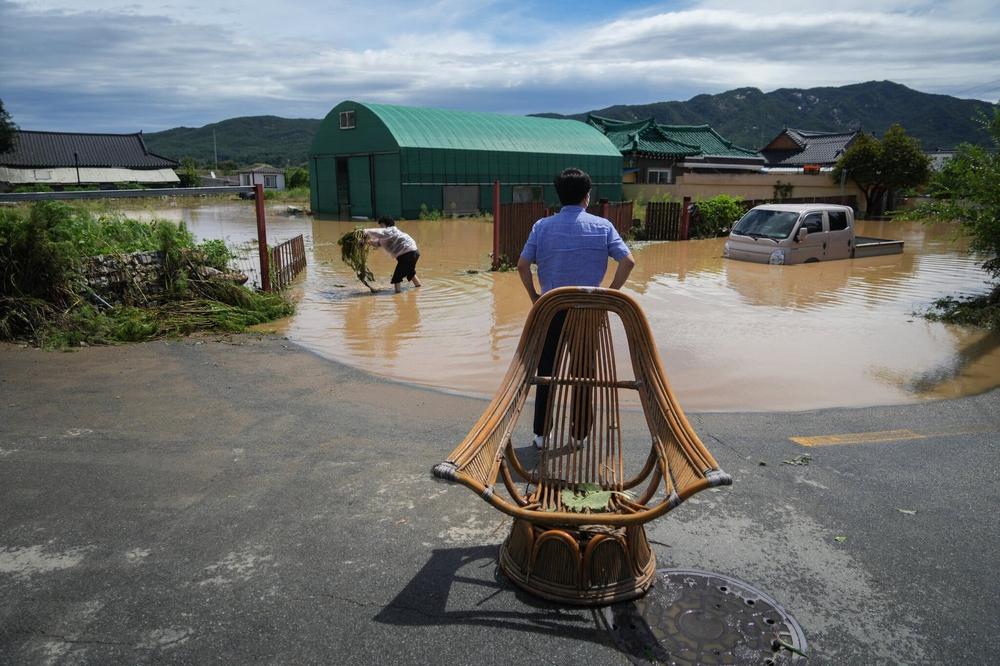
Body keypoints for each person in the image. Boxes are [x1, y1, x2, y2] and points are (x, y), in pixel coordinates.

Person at [516, 168, 635, 449]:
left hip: (551, 308)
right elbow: (628, 262)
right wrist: (610, 294)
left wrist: (535, 296)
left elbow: (522, 265)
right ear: (587, 196)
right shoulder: (603, 226)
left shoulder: (541, 226)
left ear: (559, 196)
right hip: (588, 311)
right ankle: (579, 434)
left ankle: (541, 435)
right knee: (584, 372)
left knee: (547, 370)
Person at [365, 216, 422, 293]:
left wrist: (364, 231)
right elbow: (377, 243)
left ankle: (397, 295)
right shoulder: (388, 236)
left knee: (396, 277)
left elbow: (380, 233)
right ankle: (418, 288)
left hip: (407, 254)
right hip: (413, 253)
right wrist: (367, 242)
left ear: (388, 225)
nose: (381, 228)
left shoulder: (391, 230)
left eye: (382, 226)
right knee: (410, 272)